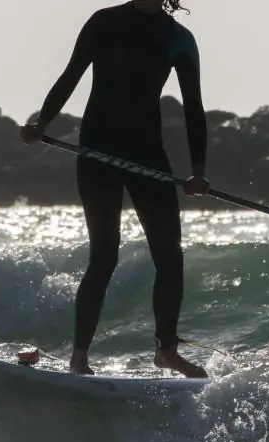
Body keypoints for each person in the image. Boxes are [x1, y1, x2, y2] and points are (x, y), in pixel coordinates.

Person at [18, 0, 210, 378]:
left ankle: (166, 351)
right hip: (97, 153)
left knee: (169, 256)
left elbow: (193, 108)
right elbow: (72, 74)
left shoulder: (178, 39)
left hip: (148, 157)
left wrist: (198, 171)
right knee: (104, 257)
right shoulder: (104, 22)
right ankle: (79, 357)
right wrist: (43, 120)